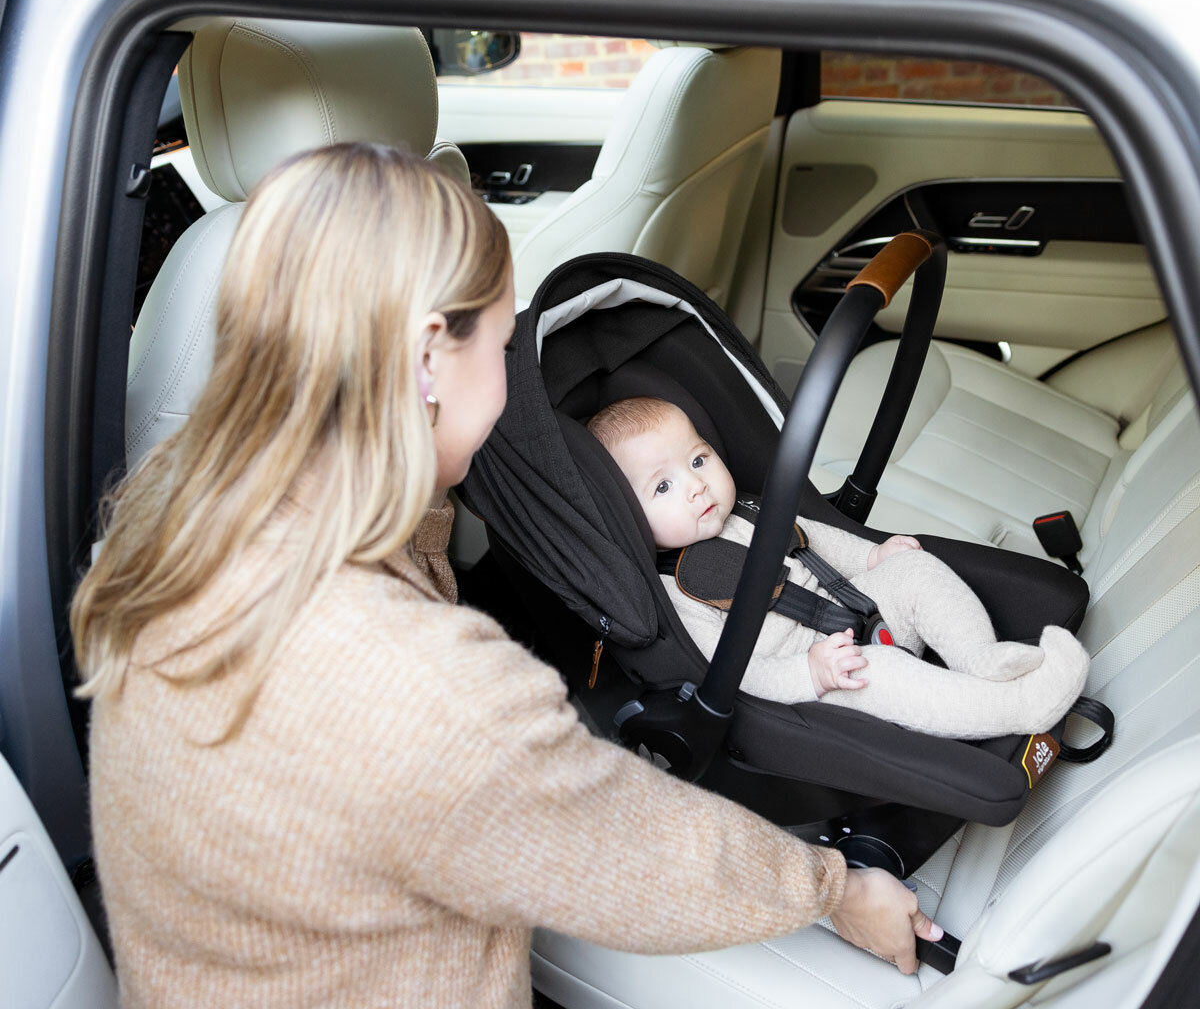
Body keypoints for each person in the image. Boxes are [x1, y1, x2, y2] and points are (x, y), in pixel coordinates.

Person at [72, 143, 941, 1008]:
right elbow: (631, 849)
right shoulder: (420, 685)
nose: (515, 363)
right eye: (502, 334)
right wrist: (837, 890)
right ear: (423, 362)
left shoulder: (166, 525)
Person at [587, 396, 1089, 740]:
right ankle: (1019, 707)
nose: (696, 486)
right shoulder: (677, 590)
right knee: (881, 672)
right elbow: (731, 674)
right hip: (822, 672)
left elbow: (819, 542)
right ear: (626, 516)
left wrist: (874, 558)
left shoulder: (753, 510)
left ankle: (980, 657)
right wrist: (811, 674)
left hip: (861, 604)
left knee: (916, 572)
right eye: (662, 486)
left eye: (698, 460)